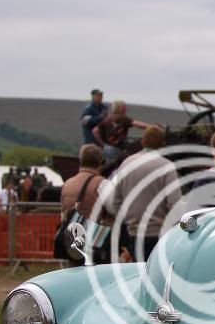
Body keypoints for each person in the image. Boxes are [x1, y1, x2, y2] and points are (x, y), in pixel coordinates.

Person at [112, 126, 183, 260]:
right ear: (163, 145)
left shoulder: (126, 164)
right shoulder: (167, 167)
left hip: (132, 234)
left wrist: (127, 221)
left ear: (142, 142)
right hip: (158, 234)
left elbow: (115, 202)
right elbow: (175, 205)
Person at [60, 144, 116, 221]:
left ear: (80, 160)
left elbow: (63, 213)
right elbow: (115, 209)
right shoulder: (102, 183)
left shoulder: (67, 184)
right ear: (100, 161)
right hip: (93, 230)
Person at [96, 101, 151, 170]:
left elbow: (95, 131)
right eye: (124, 107)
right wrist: (151, 127)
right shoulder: (122, 118)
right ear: (120, 108)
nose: (126, 108)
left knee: (109, 170)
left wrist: (102, 143)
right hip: (116, 149)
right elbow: (138, 124)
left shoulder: (107, 118)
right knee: (118, 169)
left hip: (106, 148)